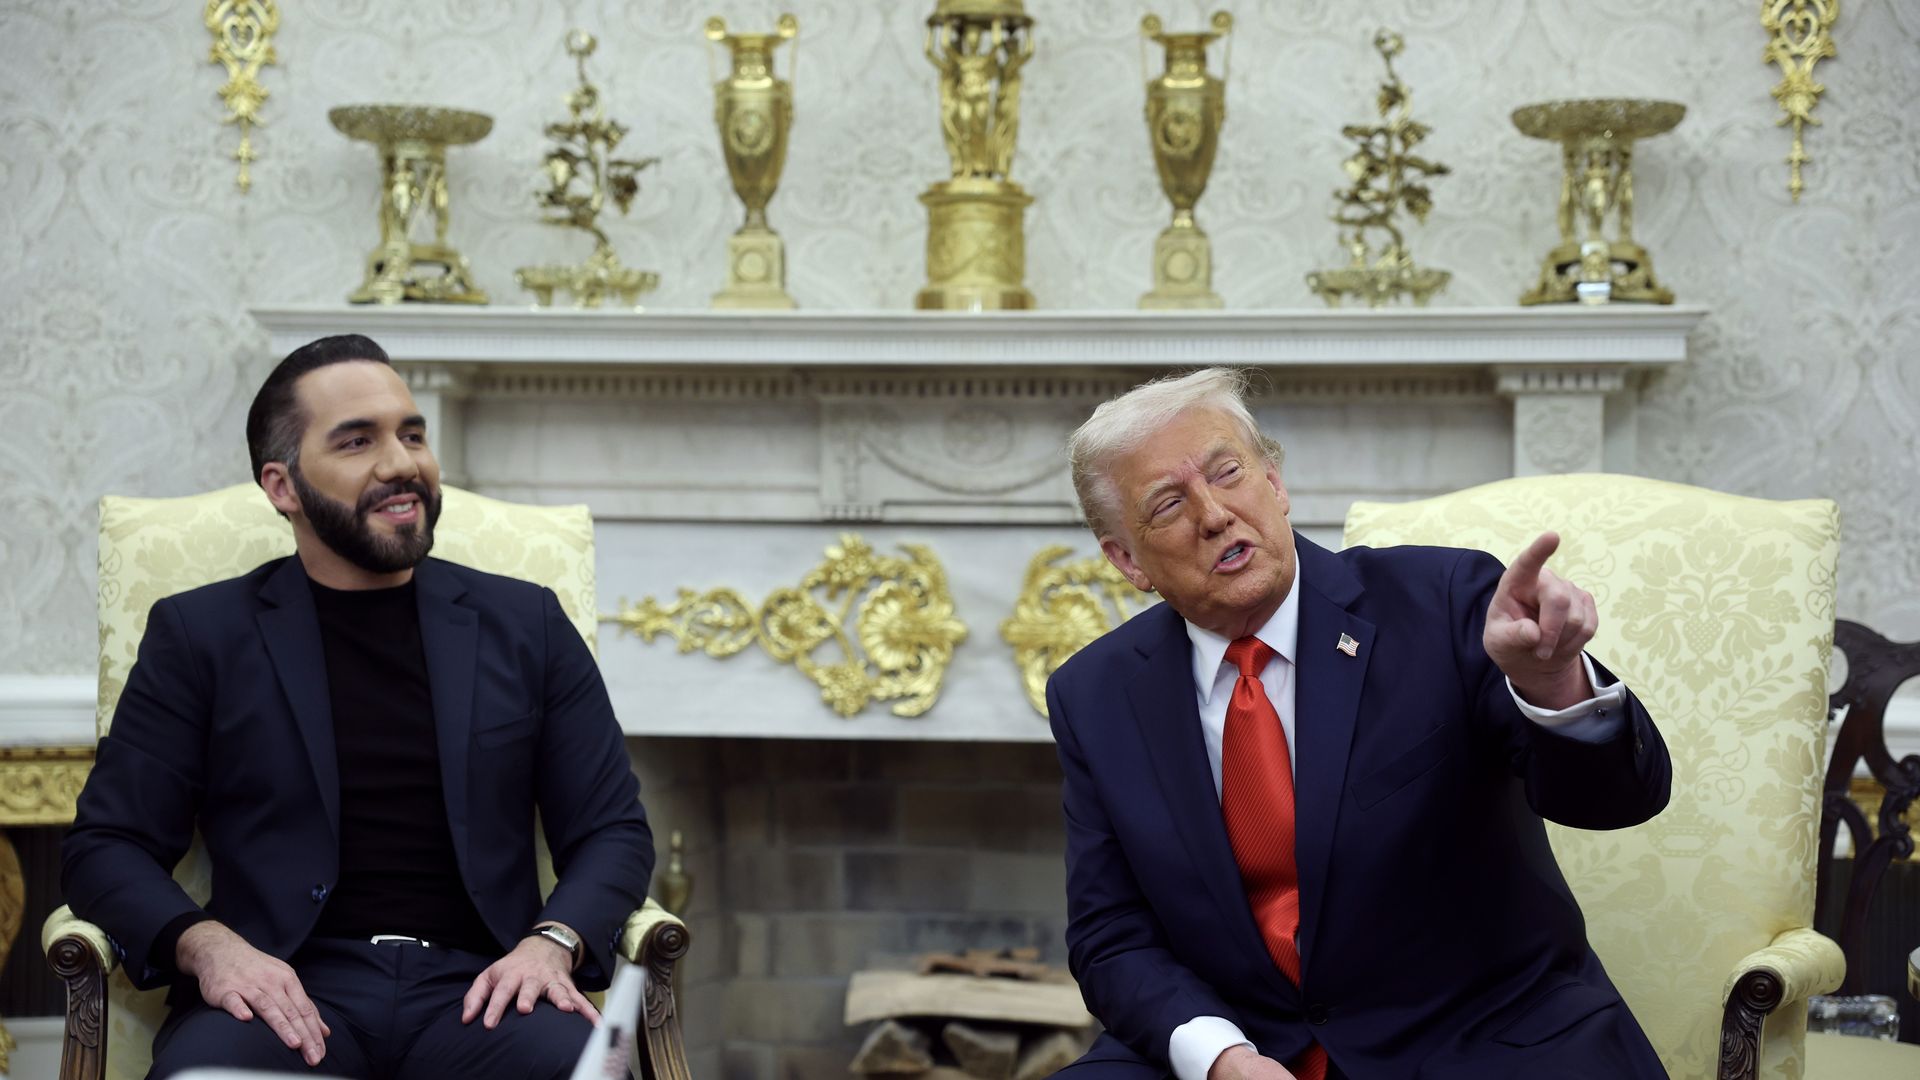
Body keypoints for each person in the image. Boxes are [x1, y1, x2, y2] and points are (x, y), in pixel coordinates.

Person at [1048, 368, 1671, 1080]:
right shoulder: (1095, 694)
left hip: (1472, 1035)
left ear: (1275, 485)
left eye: (1229, 473)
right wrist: (1218, 1056)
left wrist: (1554, 683)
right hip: (1241, 1043)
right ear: (1127, 560)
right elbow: (1110, 934)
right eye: (1167, 504)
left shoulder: (1439, 601)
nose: (1215, 514)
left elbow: (1618, 800)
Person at [63, 334, 654, 1079]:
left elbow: (612, 829)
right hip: (281, 993)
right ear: (283, 487)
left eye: (412, 434)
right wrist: (207, 947)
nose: (402, 463)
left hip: (486, 992)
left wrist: (555, 941)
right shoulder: (200, 635)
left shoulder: (526, 624)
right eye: (356, 441)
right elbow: (106, 843)